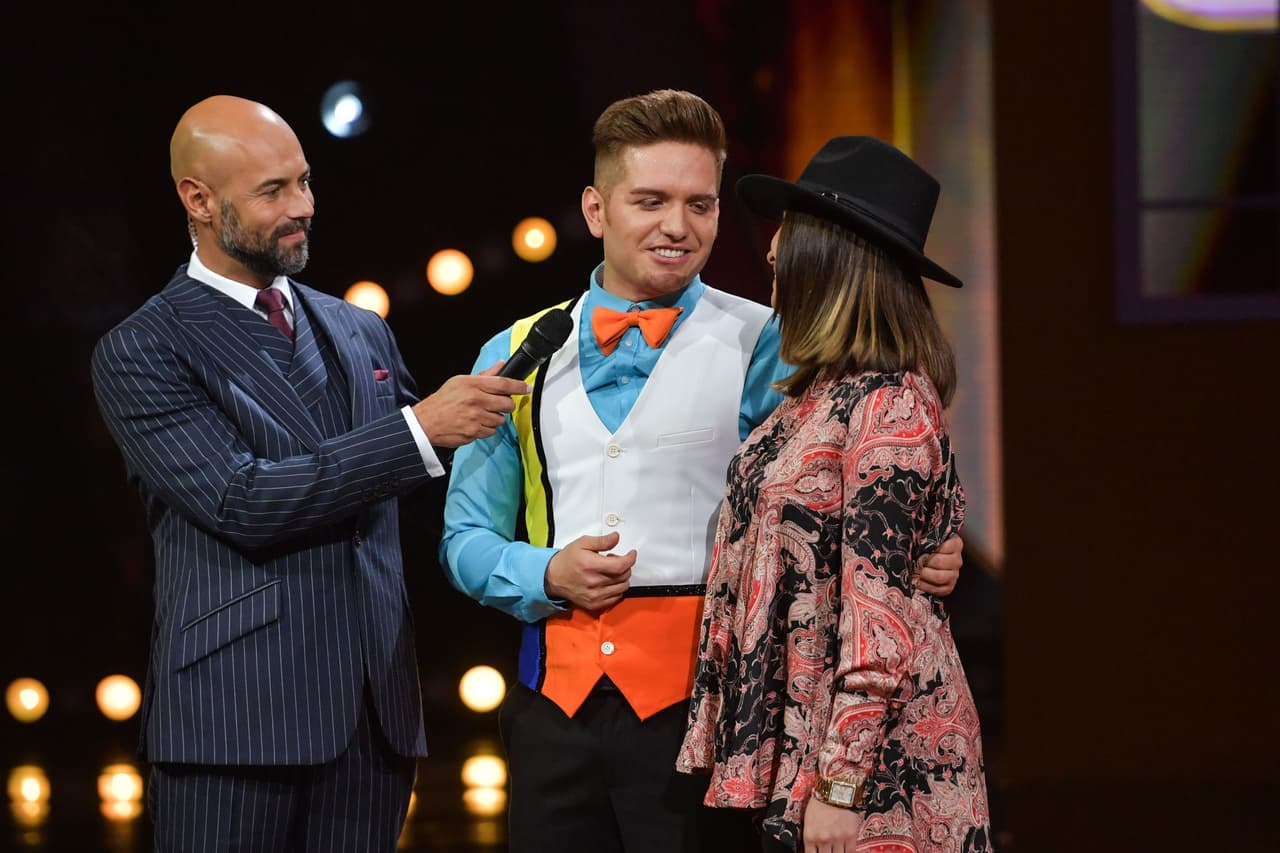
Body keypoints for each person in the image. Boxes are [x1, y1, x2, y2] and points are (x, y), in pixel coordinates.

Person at [440, 92, 966, 851]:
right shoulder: (515, 350)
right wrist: (544, 569)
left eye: (700, 204)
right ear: (596, 209)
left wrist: (930, 538)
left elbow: (872, 464)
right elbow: (463, 536)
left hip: (712, 710)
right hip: (550, 708)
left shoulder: (773, 340)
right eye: (650, 201)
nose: (677, 227)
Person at [90, 95, 529, 851]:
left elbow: (427, 473)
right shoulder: (142, 350)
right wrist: (420, 428)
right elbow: (242, 497)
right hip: (235, 725)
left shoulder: (359, 327)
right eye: (273, 191)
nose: (303, 207)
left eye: (305, 182)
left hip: (375, 720)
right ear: (197, 199)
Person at [676, 136, 993, 852]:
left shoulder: (891, 404)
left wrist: (841, 783)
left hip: (874, 775)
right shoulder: (812, 399)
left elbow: (880, 621)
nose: (773, 248)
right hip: (807, 759)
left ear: (834, 255)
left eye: (794, 225)